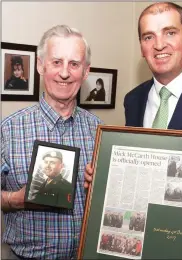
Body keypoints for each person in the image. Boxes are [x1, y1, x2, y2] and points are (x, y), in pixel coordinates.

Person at [85, 2, 182, 259]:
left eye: (170, 32)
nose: (159, 44)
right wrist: (105, 178)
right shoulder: (134, 99)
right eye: (148, 36)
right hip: (144, 244)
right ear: (141, 47)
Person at [1, 25, 103, 259]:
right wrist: (15, 200)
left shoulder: (100, 131)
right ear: (40, 65)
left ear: (85, 72)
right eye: (56, 62)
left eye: (74, 64)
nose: (65, 73)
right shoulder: (8, 129)